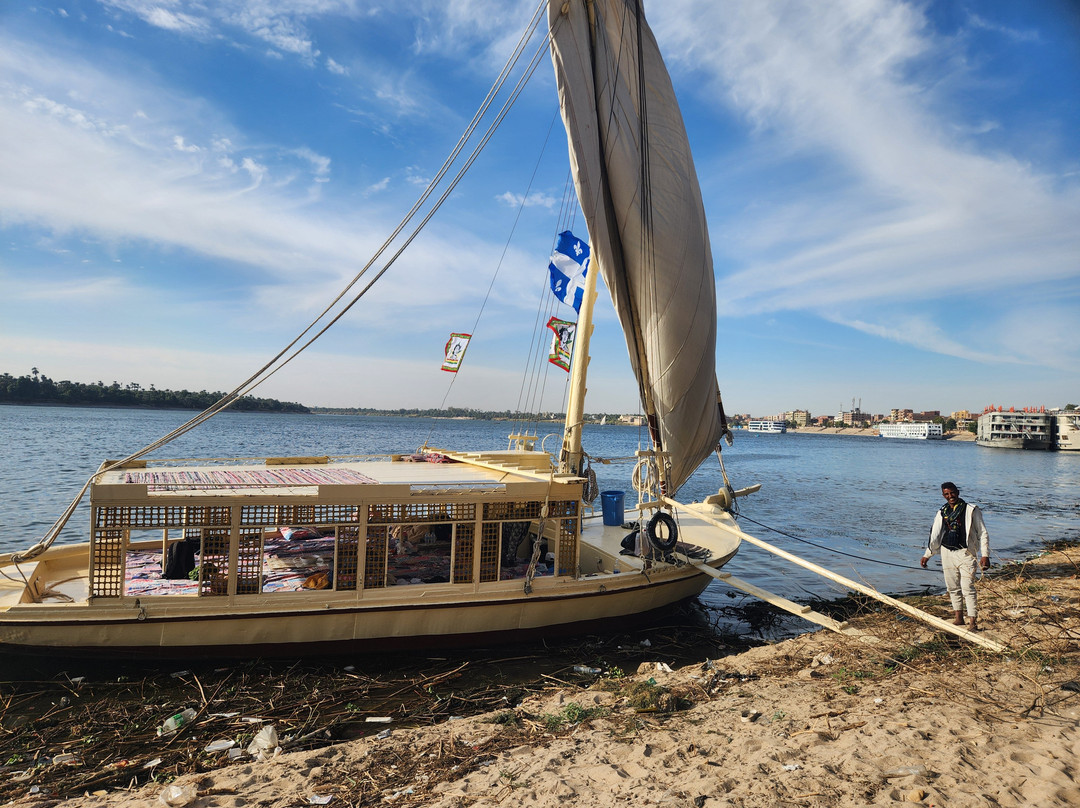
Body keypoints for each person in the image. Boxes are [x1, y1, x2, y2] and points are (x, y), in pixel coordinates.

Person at [920, 481, 990, 630]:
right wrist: (927, 555)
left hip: (966, 553)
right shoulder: (942, 512)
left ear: (957, 492)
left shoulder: (971, 510)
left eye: (952, 493)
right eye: (946, 494)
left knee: (968, 587)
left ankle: (972, 621)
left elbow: (983, 532)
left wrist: (985, 555)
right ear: (943, 495)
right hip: (947, 553)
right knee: (952, 587)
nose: (950, 496)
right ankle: (959, 618)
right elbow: (935, 536)